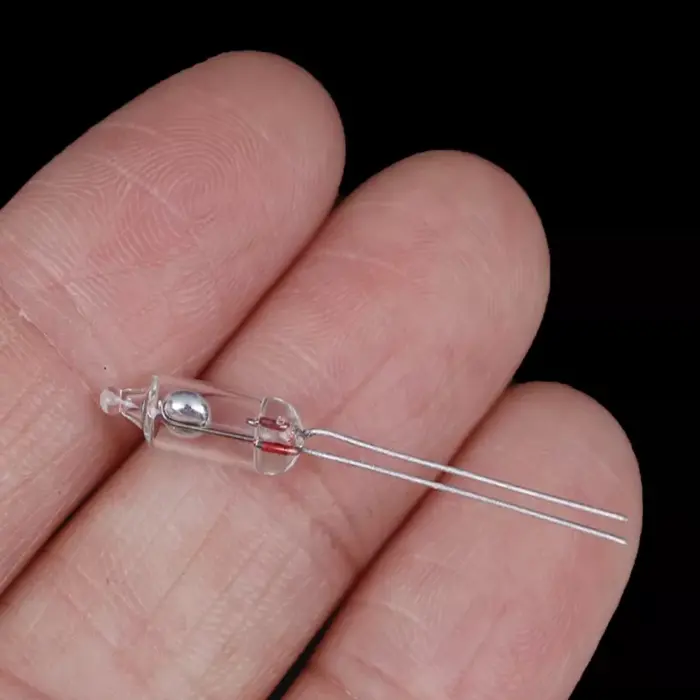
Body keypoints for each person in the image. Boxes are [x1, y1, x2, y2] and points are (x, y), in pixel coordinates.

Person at [0, 52, 641, 699]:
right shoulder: (170, 417)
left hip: (270, 433)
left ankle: (582, 516)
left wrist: (255, 432)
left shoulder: (191, 414)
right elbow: (216, 428)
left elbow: (225, 422)